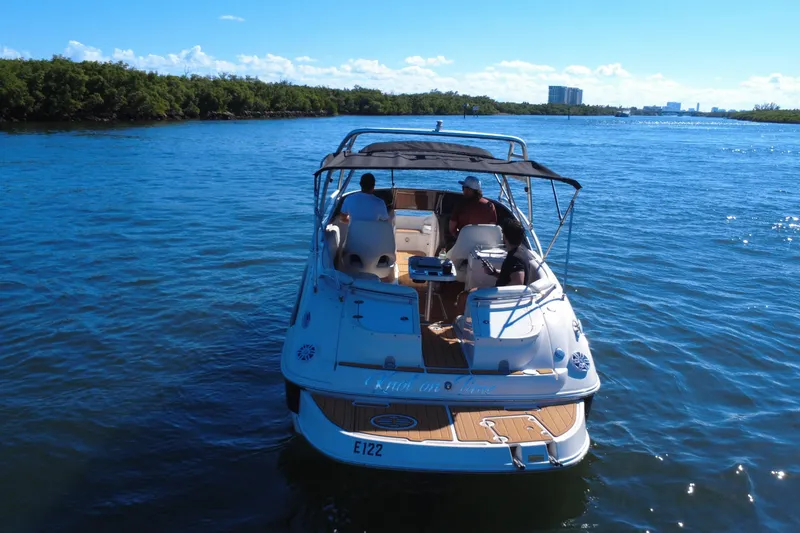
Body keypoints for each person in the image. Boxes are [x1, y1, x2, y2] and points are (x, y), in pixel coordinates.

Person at [482, 218, 540, 287]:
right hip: (501, 294)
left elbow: (518, 284)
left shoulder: (515, 258)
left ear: (505, 237)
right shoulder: (521, 251)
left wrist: (492, 292)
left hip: (501, 296)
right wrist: (494, 272)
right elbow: (508, 278)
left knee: (469, 293)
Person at [447, 175, 497, 247]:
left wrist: (458, 237)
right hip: (483, 245)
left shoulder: (460, 205)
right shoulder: (490, 205)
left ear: (468, 190)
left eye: (463, 188)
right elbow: (492, 227)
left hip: (464, 243)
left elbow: (452, 228)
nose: (463, 190)